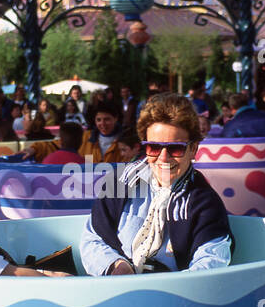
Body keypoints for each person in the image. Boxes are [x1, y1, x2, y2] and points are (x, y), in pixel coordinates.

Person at [80, 93, 232, 276]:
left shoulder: (204, 201)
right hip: (114, 290)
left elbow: (211, 260)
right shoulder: (119, 182)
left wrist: (164, 288)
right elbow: (93, 238)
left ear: (193, 149)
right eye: (154, 147)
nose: (163, 158)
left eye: (176, 148)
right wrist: (117, 267)